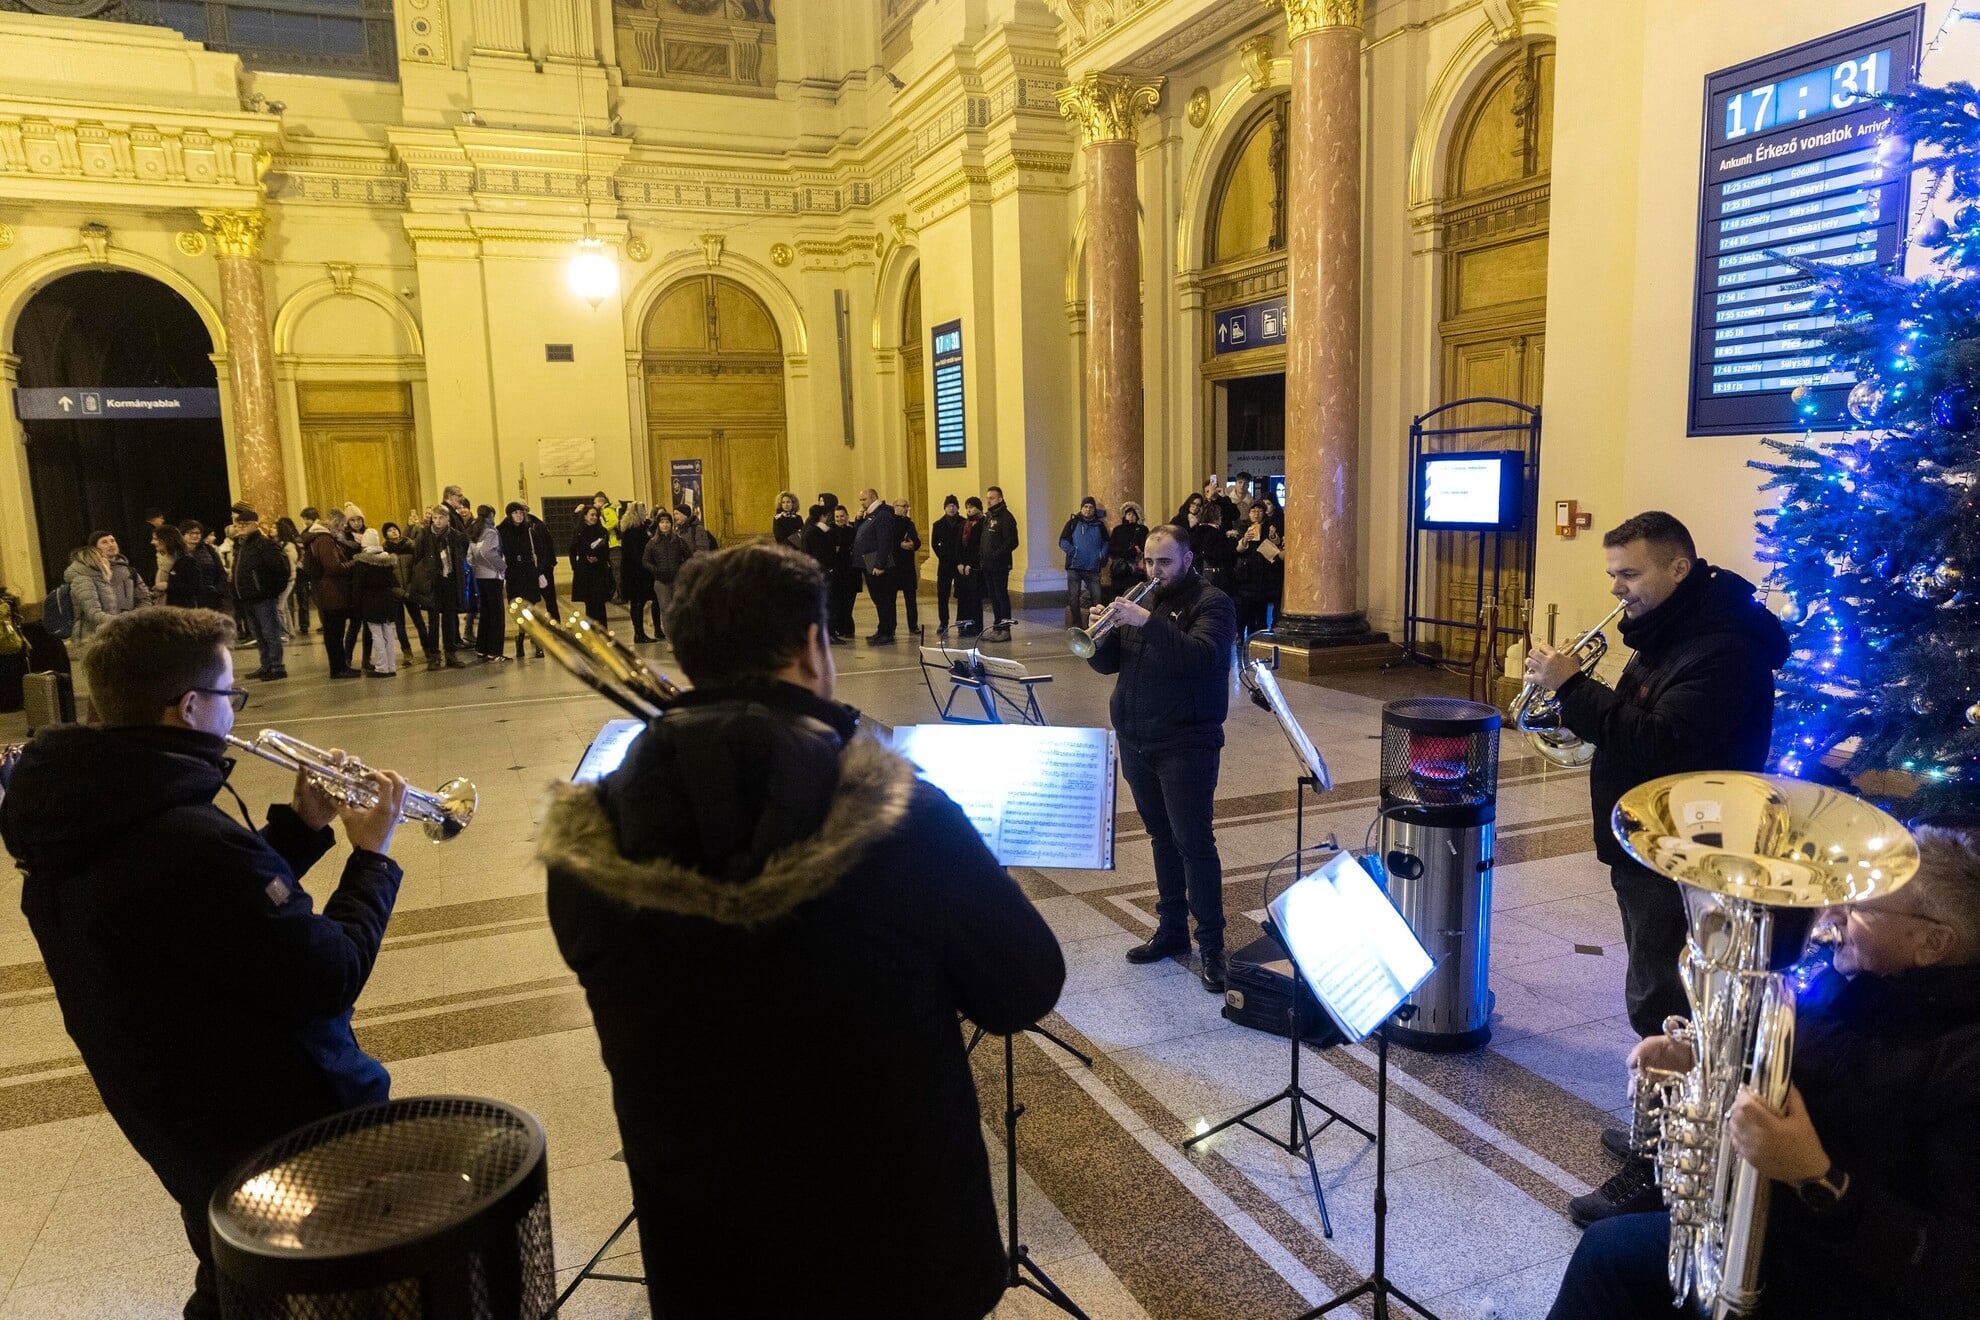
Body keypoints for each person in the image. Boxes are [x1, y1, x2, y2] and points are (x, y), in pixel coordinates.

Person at [537, 542, 1065, 1318]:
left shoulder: (586, 852)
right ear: (816, 647)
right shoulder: (904, 823)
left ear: (686, 655)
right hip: (900, 1257)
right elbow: (1026, 986)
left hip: (711, 1261)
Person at [1, 606, 411, 1320]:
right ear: (189, 708)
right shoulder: (185, 837)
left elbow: (200, 924)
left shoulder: (86, 808)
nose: (236, 710)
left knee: (232, 1276)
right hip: (283, 1131)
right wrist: (371, 857)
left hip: (187, 1126)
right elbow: (329, 975)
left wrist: (298, 829)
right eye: (231, 696)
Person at [1546, 823, 1980, 1320]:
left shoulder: (1965, 1064)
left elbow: (1959, 1275)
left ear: (1932, 943)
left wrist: (1819, 1179)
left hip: (1851, 1283)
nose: (1831, 914)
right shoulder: (1857, 985)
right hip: (1784, 1236)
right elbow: (1789, 1073)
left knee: (1611, 1258)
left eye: (1861, 906)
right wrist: (1700, 1062)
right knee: (1609, 1252)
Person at [1521, 511, 1792, 1223]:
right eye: (1613, 575)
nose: (1619, 590)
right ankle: (1655, 1128)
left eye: (1631, 574)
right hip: (1646, 846)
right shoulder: (1671, 630)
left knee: (1666, 1006)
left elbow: (1664, 744)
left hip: (1686, 853)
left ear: (1678, 568)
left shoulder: (1723, 649)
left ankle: (1661, 1165)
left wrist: (1574, 688)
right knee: (1653, 992)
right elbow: (1637, 722)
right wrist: (1574, 711)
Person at [1084, 524, 1238, 992]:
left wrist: (1145, 621)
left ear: (1187, 559)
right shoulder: (1140, 596)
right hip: (1136, 738)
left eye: (1164, 562)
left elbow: (1200, 658)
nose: (1153, 571)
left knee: (1193, 841)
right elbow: (1108, 665)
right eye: (1148, 562)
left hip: (1185, 744)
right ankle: (1172, 931)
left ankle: (1212, 945)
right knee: (1160, 838)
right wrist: (1102, 634)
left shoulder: (1213, 604)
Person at [227, 509, 291, 682]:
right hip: (247, 597)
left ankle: (278, 666)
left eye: (245, 524)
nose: (240, 527)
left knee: (270, 633)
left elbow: (280, 569)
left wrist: (272, 591)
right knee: (258, 635)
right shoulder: (240, 545)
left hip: (263, 597)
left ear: (255, 525)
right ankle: (266, 665)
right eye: (238, 524)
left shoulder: (263, 544)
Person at [410, 505, 472, 671]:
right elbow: (417, 559)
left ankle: (450, 654)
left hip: (450, 580)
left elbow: (462, 555)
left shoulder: (456, 536)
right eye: (435, 518)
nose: (437, 521)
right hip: (433, 582)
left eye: (440, 518)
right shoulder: (425, 535)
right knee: (433, 621)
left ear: (447, 519)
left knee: (450, 620)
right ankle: (434, 656)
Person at [65, 531, 152, 647]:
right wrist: (122, 620)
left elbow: (144, 598)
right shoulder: (87, 574)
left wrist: (134, 619)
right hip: (96, 636)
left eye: (112, 540)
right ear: (94, 549)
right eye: (104, 542)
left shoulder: (130, 571)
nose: (111, 544)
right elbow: (93, 612)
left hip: (125, 632)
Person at [304, 508, 360, 678]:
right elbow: (333, 567)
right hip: (332, 593)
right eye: (342, 524)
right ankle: (339, 668)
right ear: (334, 523)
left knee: (333, 632)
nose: (343, 528)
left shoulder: (320, 539)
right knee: (334, 633)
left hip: (327, 592)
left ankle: (339, 666)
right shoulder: (325, 540)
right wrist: (354, 563)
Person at [499, 502, 558, 659]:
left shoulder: (530, 531)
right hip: (514, 575)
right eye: (515, 513)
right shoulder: (502, 532)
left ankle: (537, 642)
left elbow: (540, 551)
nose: (519, 515)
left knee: (531, 609)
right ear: (509, 515)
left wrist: (540, 572)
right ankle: (520, 639)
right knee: (520, 610)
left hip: (529, 574)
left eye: (521, 512)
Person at [351, 528, 402, 678]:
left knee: (377, 635)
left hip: (371, 603)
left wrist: (356, 606)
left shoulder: (362, 563)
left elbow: (357, 587)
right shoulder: (387, 560)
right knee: (389, 634)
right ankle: (391, 666)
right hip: (388, 601)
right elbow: (394, 582)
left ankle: (381, 667)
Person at [852, 488, 899, 644]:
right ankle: (882, 628)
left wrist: (879, 564)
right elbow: (860, 532)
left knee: (883, 598)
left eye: (864, 499)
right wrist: (859, 518)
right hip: (868, 560)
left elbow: (884, 541)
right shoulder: (871, 515)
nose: (862, 503)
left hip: (876, 561)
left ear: (873, 497)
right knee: (878, 598)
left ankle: (887, 632)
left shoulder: (882, 515)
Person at [465, 504, 509, 662]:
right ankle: (495, 651)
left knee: (486, 614)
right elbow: (488, 552)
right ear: (491, 515)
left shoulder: (475, 531)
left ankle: (482, 649)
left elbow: (470, 556)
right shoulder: (491, 532)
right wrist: (503, 567)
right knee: (497, 616)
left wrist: (478, 567)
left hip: (480, 577)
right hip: (493, 576)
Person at [1058, 495, 1109, 627]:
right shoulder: (1073, 523)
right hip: (1074, 567)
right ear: (1081, 508)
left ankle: (1094, 626)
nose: (1088, 509)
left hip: (1092, 567)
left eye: (1091, 507)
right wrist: (1073, 552)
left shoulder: (1100, 525)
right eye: (1085, 507)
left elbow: (1106, 542)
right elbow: (1063, 541)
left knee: (1097, 598)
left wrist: (1101, 555)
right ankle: (1077, 626)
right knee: (1073, 598)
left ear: (1094, 509)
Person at [1232, 502, 1281, 635]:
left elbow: (1277, 546)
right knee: (1244, 610)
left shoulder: (1269, 527)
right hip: (1246, 575)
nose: (1256, 514)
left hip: (1263, 576)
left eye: (1259, 511)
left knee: (1261, 611)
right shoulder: (1242, 527)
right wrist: (1244, 540)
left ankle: (1258, 637)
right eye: (1253, 511)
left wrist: (1273, 536)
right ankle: (1240, 635)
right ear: (1249, 514)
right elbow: (1236, 550)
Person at [979, 484, 1019, 642]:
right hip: (987, 564)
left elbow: (1012, 542)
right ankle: (996, 627)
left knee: (1001, 596)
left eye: (992, 498)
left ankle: (1005, 629)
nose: (989, 501)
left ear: (1000, 499)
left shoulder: (1006, 517)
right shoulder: (989, 517)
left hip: (1000, 564)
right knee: (993, 597)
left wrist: (996, 554)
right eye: (987, 498)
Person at [618, 503, 657, 645]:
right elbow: (638, 553)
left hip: (630, 572)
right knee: (638, 603)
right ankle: (639, 633)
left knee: (635, 603)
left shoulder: (628, 529)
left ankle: (638, 632)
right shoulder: (636, 531)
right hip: (638, 573)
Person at [569, 504, 614, 626]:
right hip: (585, 570)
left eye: (596, 515)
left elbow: (606, 552)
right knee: (589, 604)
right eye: (591, 515)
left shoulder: (602, 531)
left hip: (598, 570)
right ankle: (592, 631)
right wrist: (575, 567)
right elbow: (572, 550)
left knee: (600, 603)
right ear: (584, 516)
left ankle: (603, 630)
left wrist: (598, 558)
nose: (594, 517)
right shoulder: (579, 531)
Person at [170, 522, 226, 611]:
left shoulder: (209, 549)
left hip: (210, 597)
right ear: (182, 534)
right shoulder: (176, 552)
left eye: (198, 533)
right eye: (191, 533)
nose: (195, 535)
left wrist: (219, 590)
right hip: (185, 599)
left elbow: (220, 571)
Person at [931, 494, 965, 636]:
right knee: (942, 595)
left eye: (954, 505)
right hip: (945, 564)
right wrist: (942, 555)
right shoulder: (938, 524)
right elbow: (934, 544)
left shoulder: (964, 523)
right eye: (949, 506)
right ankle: (943, 621)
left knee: (962, 593)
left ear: (957, 507)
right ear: (944, 508)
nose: (951, 508)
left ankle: (961, 621)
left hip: (959, 564)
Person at [826, 504, 860, 643]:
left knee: (849, 600)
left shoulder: (852, 530)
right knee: (837, 601)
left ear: (847, 516)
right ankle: (840, 626)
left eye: (842, 516)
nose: (840, 519)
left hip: (851, 571)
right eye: (837, 517)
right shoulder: (830, 531)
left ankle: (847, 626)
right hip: (837, 571)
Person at [1103, 502, 1148, 604]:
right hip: (1120, 570)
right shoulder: (1118, 530)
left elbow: (1143, 546)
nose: (1131, 517)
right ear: (1124, 515)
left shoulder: (1142, 529)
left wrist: (1133, 551)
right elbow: (1113, 548)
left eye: (1133, 514)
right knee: (1118, 597)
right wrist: (1130, 551)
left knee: (1136, 595)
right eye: (1128, 514)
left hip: (1136, 570)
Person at [891, 497, 922, 636]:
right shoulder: (889, 522)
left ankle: (913, 625)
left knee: (911, 598)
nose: (906, 509)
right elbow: (887, 540)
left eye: (907, 506)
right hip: (893, 566)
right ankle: (891, 625)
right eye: (903, 506)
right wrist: (900, 544)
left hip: (907, 566)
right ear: (895, 507)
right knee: (890, 598)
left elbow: (917, 540)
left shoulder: (909, 523)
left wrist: (913, 544)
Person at [1189, 501, 1236, 593]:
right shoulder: (1215, 534)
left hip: (1198, 574)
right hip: (1217, 579)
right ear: (1215, 517)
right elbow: (1222, 555)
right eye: (1219, 515)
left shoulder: (1195, 532)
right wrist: (1232, 541)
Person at [956, 495, 985, 636]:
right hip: (962, 567)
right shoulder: (964, 525)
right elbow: (958, 545)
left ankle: (976, 626)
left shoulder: (983, 524)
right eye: (967, 507)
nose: (969, 510)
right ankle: (963, 624)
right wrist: (960, 563)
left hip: (974, 567)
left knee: (974, 597)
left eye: (972, 507)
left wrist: (970, 564)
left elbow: (979, 547)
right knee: (963, 597)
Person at [273, 517, 302, 639]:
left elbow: (290, 564)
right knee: (283, 606)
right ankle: (290, 631)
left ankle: (283, 633)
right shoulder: (279, 544)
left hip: (288, 578)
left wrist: (285, 576)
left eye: (274, 528)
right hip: (285, 578)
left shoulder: (288, 546)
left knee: (279, 607)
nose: (271, 529)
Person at [151, 523, 186, 602]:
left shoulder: (186, 560)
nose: (152, 542)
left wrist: (168, 586)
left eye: (155, 539)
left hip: (180, 610)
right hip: (160, 607)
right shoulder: (157, 560)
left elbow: (194, 587)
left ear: (166, 540)